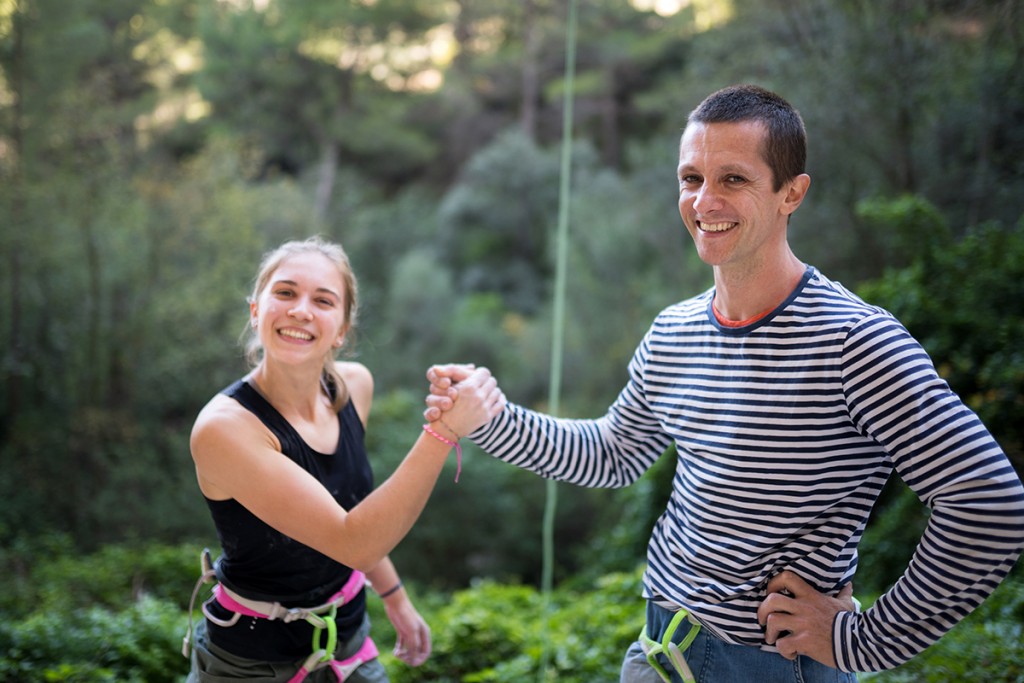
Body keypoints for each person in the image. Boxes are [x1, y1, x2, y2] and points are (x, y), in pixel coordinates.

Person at [424, 84, 1024, 682]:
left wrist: (863, 642)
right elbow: (612, 455)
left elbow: (990, 505)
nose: (704, 201)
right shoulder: (674, 329)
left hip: (766, 667)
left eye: (733, 179)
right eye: (691, 179)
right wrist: (490, 419)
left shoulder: (854, 342)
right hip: (660, 649)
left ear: (792, 192)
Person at [183, 236, 505, 682]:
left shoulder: (353, 387)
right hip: (251, 661)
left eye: (323, 300)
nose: (300, 310)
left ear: (341, 330)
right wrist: (443, 433)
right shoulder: (227, 429)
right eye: (285, 292)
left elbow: (351, 508)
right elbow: (353, 540)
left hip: (347, 641)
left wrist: (394, 597)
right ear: (256, 310)